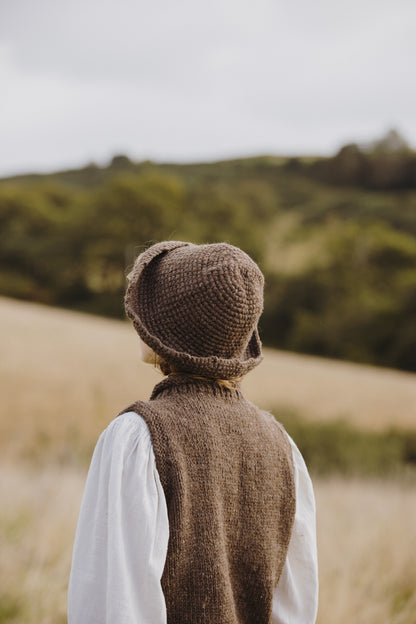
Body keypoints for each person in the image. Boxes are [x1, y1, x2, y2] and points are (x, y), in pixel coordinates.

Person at [68, 240, 318, 624]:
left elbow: (115, 604)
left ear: (173, 329)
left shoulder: (138, 437)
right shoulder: (282, 445)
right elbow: (295, 607)